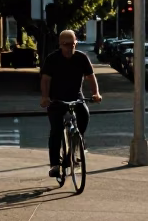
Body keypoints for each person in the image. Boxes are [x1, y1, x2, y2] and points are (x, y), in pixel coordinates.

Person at [40, 30, 102, 177]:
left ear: (76, 43)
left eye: (72, 44)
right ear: (60, 44)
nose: (69, 48)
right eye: (66, 45)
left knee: (85, 115)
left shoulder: (81, 58)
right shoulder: (52, 59)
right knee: (56, 130)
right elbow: (45, 80)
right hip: (56, 99)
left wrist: (96, 93)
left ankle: (76, 145)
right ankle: (55, 164)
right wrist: (45, 97)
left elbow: (90, 77)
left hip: (76, 96)